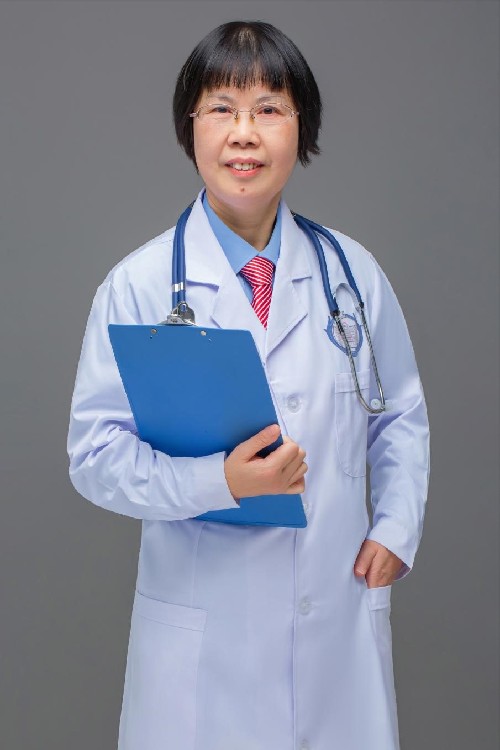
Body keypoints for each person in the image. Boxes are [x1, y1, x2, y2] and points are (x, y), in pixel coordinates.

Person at [67, 20, 430, 750]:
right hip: (206, 652)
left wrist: (396, 526)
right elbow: (95, 457)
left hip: (333, 625)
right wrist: (221, 482)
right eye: (221, 109)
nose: (244, 133)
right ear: (189, 126)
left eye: (269, 109)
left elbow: (400, 415)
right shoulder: (138, 286)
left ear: (302, 128)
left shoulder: (353, 276)